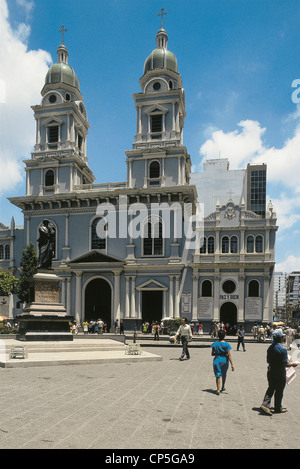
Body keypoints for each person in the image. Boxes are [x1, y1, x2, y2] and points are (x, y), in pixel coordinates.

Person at [260, 329, 298, 415]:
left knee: (271, 387)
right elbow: (285, 363)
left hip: (271, 370)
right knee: (279, 390)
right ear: (281, 338)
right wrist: (293, 364)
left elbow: (268, 360)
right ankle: (277, 408)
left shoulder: (270, 347)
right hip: (280, 372)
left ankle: (265, 404)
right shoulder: (282, 349)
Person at [211, 329, 234, 395]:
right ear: (224, 336)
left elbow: (212, 354)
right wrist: (232, 364)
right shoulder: (227, 344)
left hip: (217, 360)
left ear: (218, 336)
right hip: (225, 360)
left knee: (218, 374)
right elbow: (229, 354)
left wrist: (218, 353)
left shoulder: (214, 344)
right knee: (224, 373)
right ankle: (223, 386)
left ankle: (218, 389)